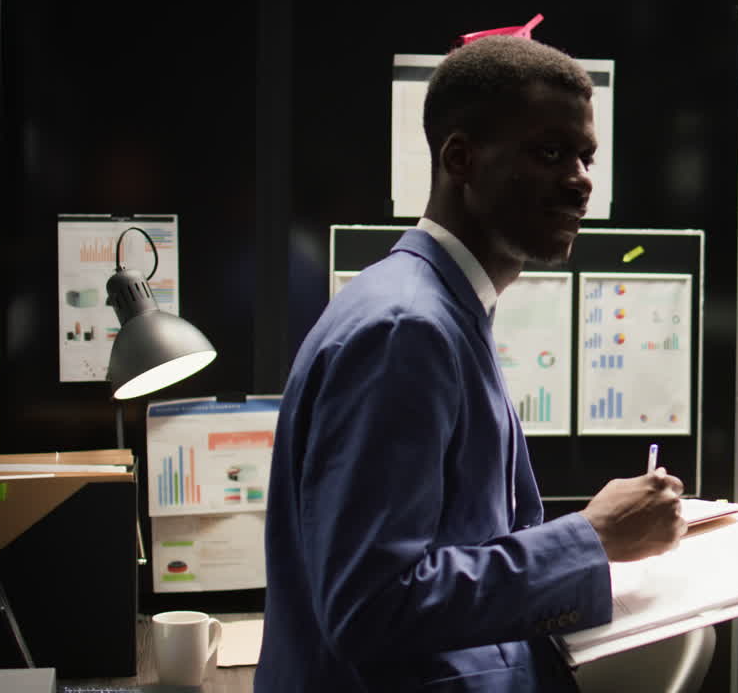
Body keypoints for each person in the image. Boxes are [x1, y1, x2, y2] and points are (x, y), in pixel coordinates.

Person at [256, 35, 687, 693]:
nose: (580, 181)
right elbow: (371, 608)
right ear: (461, 158)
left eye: (585, 156)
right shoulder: (406, 330)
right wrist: (590, 538)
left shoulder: (445, 309)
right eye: (549, 152)